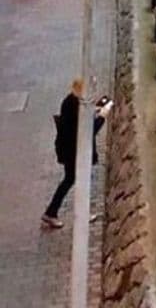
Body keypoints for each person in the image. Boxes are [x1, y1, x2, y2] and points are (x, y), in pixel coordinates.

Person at [42, 82, 113, 229]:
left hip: (70, 150)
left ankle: (53, 211)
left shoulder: (70, 102)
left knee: (71, 179)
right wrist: (102, 116)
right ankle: (61, 212)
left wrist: (95, 111)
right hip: (74, 151)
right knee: (77, 179)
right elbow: (87, 130)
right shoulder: (75, 106)